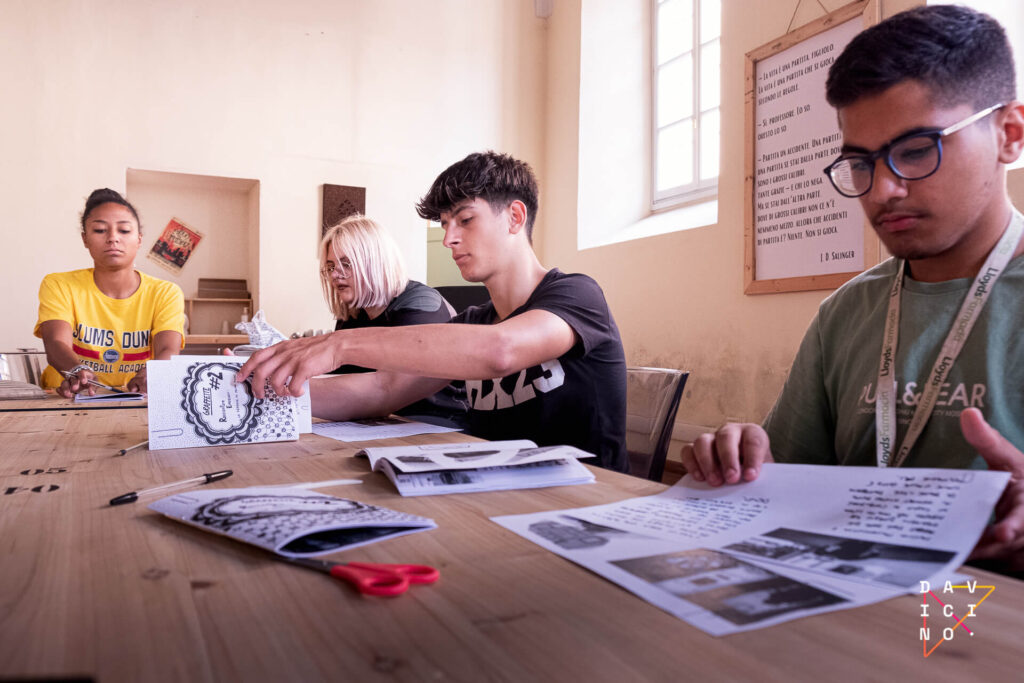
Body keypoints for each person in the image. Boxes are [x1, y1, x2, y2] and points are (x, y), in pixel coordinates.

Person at [681, 6, 1024, 570]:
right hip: (848, 607)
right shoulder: (848, 312)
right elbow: (787, 479)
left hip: (985, 622)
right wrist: (739, 461)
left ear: (1009, 133)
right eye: (860, 162)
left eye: (916, 150)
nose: (883, 189)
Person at [238, 151, 629, 471]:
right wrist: (267, 391)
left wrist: (339, 345)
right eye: (444, 224)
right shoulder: (473, 321)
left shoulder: (577, 294)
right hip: (498, 495)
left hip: (588, 501)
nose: (449, 239)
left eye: (465, 220)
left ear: (515, 216)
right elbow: (382, 389)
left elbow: (500, 351)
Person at [319, 214, 468, 427]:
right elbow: (342, 380)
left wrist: (292, 393)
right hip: (382, 421)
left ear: (376, 263)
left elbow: (388, 389)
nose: (335, 275)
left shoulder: (421, 304)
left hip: (437, 424)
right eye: (331, 266)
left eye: (346, 264)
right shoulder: (354, 315)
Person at [35, 188, 185, 397]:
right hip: (65, 398)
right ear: (85, 239)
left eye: (124, 231)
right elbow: (56, 343)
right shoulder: (59, 284)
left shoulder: (165, 293)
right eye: (99, 230)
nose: (113, 238)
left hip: (133, 398)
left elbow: (168, 349)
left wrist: (152, 374)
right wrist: (78, 372)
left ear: (139, 239)